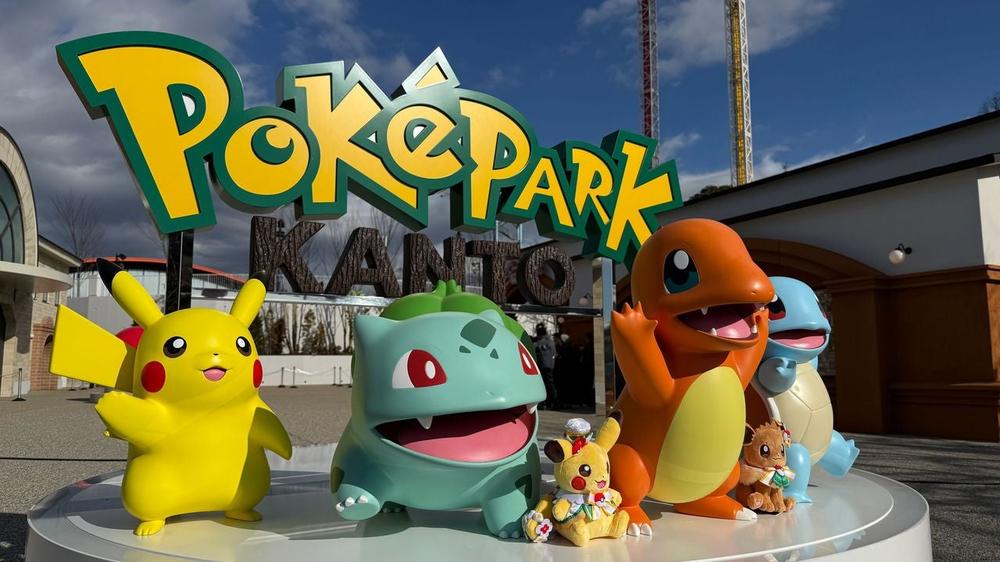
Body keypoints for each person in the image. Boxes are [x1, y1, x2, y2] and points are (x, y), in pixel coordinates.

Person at [533, 324, 557, 409]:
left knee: (544, 385)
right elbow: (555, 353)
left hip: (543, 366)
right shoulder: (551, 341)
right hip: (551, 366)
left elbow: (534, 347)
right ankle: (553, 402)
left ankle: (544, 403)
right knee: (550, 384)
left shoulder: (541, 342)